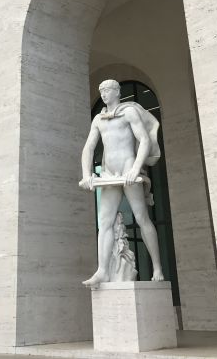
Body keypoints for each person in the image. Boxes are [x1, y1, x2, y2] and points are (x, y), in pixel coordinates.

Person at [79, 79, 164, 287]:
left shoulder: (129, 112)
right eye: (101, 91)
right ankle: (102, 270)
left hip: (128, 171)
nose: (103, 94)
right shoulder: (99, 119)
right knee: (104, 222)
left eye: (107, 90)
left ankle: (157, 267)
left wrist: (136, 168)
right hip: (109, 174)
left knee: (142, 217)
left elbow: (143, 140)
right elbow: (89, 147)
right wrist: (87, 173)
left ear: (117, 92)